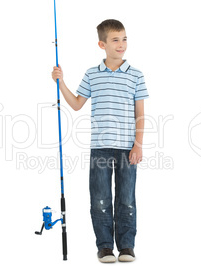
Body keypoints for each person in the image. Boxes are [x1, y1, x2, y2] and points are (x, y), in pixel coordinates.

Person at [51, 19, 149, 263]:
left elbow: (140, 113)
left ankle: (126, 246)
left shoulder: (136, 75)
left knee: (126, 199)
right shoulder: (92, 74)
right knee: (100, 200)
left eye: (124, 38)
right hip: (100, 148)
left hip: (128, 148)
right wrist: (60, 82)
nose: (121, 44)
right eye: (115, 39)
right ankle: (105, 247)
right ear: (101, 44)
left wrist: (138, 144)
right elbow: (75, 104)